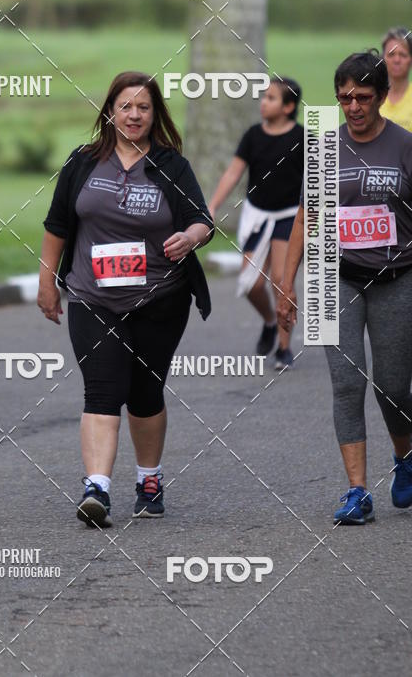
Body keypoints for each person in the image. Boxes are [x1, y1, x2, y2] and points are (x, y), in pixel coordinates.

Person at [38, 71, 214, 528]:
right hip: (92, 296)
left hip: (160, 299)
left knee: (144, 392)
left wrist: (190, 238)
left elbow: (202, 219)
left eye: (143, 107)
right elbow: (57, 225)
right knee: (101, 389)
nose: (134, 115)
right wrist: (47, 283)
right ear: (110, 112)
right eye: (126, 106)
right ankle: (96, 488)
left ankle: (149, 479)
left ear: (155, 115)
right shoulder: (82, 162)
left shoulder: (171, 165)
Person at [278, 50, 412, 525]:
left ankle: (405, 457)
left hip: (397, 278)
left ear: (382, 96)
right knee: (347, 384)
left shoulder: (404, 146)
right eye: (344, 98)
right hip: (335, 277)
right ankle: (357, 491)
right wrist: (286, 284)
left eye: (363, 97)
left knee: (393, 387)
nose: (353, 107)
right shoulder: (324, 149)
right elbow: (306, 218)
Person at [207, 78, 304, 370]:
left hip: (289, 216)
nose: (263, 102)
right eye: (264, 96)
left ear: (288, 106)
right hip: (258, 215)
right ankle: (270, 321)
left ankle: (284, 348)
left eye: (271, 98)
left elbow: (317, 181)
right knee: (250, 284)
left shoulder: (304, 138)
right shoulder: (253, 135)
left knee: (281, 280)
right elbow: (233, 173)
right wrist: (212, 206)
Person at [380, 26, 412, 131]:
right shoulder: (371, 96)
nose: (397, 60)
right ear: (383, 58)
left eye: (403, 55)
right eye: (391, 54)